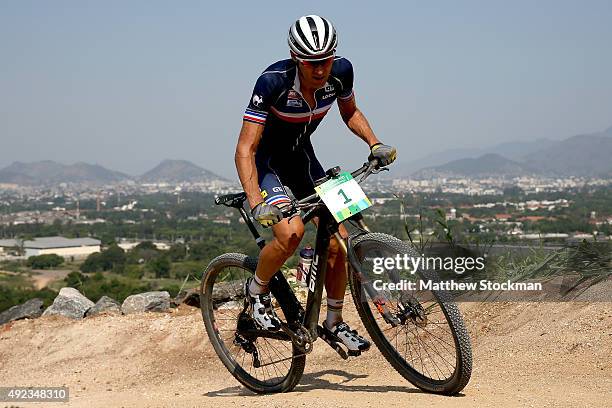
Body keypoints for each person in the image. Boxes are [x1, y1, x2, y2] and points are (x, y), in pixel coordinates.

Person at [234, 15, 397, 354]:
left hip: (303, 159)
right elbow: (245, 149)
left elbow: (350, 112)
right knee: (290, 234)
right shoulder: (272, 82)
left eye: (326, 59)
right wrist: (255, 202)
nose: (320, 69)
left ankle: (333, 322)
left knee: (341, 239)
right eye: (312, 62)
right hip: (267, 165)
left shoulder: (342, 72)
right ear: (297, 58)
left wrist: (375, 143)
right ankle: (255, 294)